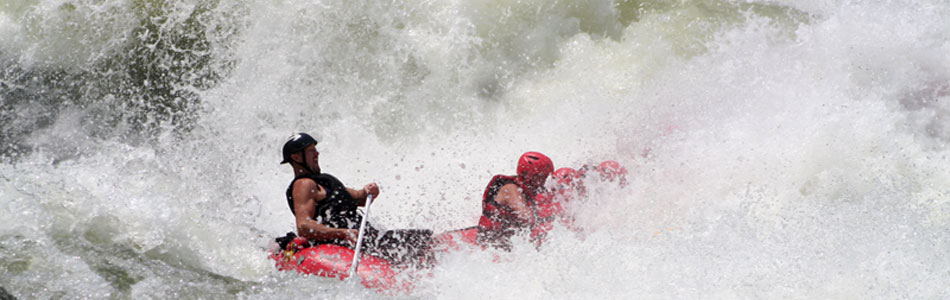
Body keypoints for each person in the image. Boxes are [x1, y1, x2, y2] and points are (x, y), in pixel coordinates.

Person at [279, 133, 433, 266]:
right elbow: (304, 226)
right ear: (296, 156)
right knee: (422, 243)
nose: (317, 154)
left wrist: (367, 191)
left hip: (365, 238)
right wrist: (343, 233)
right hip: (343, 244)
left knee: (421, 238)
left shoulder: (324, 182)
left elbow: (359, 198)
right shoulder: (303, 184)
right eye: (311, 151)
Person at [476, 151, 554, 250]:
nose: (543, 182)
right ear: (530, 176)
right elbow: (526, 217)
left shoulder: (526, 187)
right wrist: (549, 220)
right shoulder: (510, 189)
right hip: (492, 244)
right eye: (541, 177)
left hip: (508, 241)